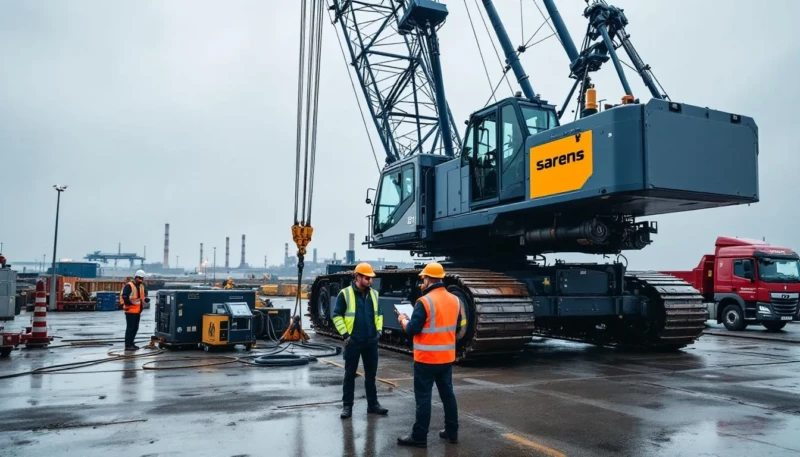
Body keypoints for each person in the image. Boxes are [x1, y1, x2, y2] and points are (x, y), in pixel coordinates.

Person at [396, 262, 466, 448]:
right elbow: (458, 326)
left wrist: (403, 320)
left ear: (427, 279)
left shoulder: (424, 302)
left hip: (426, 360)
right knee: (448, 396)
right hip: (446, 359)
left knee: (424, 398)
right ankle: (452, 432)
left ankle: (419, 437)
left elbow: (412, 329)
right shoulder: (455, 300)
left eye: (423, 278)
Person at [332, 262, 388, 419]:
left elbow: (379, 314)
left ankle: (373, 404)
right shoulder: (345, 294)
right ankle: (347, 407)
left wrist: (378, 332)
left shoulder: (374, 294)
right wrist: (345, 335)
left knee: (371, 375)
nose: (369, 280)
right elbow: (336, 315)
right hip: (353, 341)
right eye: (366, 277)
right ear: (357, 277)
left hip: (371, 341)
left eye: (370, 278)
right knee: (349, 375)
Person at [119, 269, 147, 351]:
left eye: (142, 278)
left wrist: (144, 302)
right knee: (130, 328)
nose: (141, 280)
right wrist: (130, 304)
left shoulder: (141, 286)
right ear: (136, 277)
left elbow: (141, 297)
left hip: (137, 311)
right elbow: (124, 296)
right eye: (140, 278)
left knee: (135, 328)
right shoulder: (129, 286)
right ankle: (128, 345)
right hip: (130, 311)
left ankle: (131, 343)